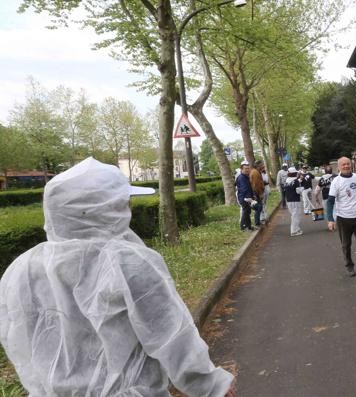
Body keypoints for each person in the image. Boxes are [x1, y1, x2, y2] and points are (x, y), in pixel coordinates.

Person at [0, 157, 235, 396]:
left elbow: (18, 340)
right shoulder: (127, 262)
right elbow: (171, 335)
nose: (128, 209)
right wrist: (212, 387)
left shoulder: (22, 269)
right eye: (124, 203)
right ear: (104, 209)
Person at [236, 161, 258, 231]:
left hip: (248, 197)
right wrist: (249, 198)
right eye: (245, 168)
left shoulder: (246, 176)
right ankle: (243, 227)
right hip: (244, 198)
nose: (247, 170)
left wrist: (253, 195)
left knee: (248, 211)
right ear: (241, 169)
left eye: (248, 168)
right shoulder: (241, 178)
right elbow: (244, 189)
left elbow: (250, 187)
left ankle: (249, 226)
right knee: (245, 211)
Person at [283, 167, 304, 236]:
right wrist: (302, 189)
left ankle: (296, 229)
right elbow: (298, 191)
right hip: (295, 199)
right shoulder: (296, 181)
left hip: (288, 200)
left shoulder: (286, 181)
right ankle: (294, 231)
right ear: (294, 173)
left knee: (293, 215)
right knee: (296, 215)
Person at [250, 160, 266, 226]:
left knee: (259, 207)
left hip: (257, 192)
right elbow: (256, 185)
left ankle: (258, 222)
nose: (262, 166)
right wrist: (259, 194)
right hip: (256, 192)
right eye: (261, 165)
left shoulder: (256, 171)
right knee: (258, 207)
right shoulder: (255, 172)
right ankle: (257, 223)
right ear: (258, 165)